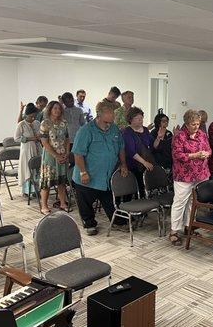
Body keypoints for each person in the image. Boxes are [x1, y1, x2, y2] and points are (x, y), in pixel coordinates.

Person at [72, 101, 129, 236]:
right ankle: (89, 224)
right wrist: (83, 172)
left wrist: (123, 164)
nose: (113, 116)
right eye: (110, 113)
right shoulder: (86, 130)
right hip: (89, 175)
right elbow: (78, 153)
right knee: (85, 202)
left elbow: (121, 147)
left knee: (109, 201)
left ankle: (117, 222)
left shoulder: (114, 129)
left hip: (106, 176)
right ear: (100, 114)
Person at [169, 110, 211, 246]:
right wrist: (195, 155)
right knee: (180, 202)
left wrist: (206, 154)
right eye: (193, 124)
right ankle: (174, 232)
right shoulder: (180, 136)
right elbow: (177, 155)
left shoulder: (202, 134)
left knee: (194, 202)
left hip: (200, 174)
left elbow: (209, 149)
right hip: (183, 175)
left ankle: (189, 227)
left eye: (198, 124)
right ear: (186, 123)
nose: (196, 126)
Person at [39, 101, 70, 214]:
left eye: (59, 108)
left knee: (62, 181)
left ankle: (62, 203)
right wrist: (56, 155)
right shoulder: (45, 123)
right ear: (50, 110)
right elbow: (44, 142)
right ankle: (44, 206)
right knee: (47, 182)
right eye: (55, 108)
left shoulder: (64, 123)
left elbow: (67, 139)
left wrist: (67, 153)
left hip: (62, 156)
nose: (57, 110)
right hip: (50, 156)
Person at [123, 106, 154, 199]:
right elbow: (131, 152)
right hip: (133, 165)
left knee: (143, 188)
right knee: (131, 189)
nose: (140, 120)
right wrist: (144, 162)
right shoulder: (127, 132)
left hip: (145, 164)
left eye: (141, 118)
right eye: (137, 118)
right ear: (130, 119)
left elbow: (152, 145)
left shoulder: (145, 130)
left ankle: (144, 204)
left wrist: (159, 138)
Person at [15, 103, 41, 196]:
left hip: (37, 148)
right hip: (27, 149)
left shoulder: (37, 123)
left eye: (34, 116)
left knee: (37, 169)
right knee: (27, 168)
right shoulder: (21, 124)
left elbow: (41, 134)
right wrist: (30, 139)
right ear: (27, 114)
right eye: (31, 116)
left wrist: (39, 137)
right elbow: (16, 138)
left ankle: (36, 190)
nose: (33, 118)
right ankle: (27, 190)